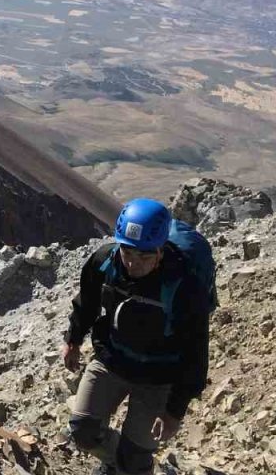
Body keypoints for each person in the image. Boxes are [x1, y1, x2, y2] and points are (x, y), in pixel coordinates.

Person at [60, 198, 211, 475]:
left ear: (160, 250)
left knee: (136, 457)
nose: (133, 263)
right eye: (128, 252)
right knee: (83, 432)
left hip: (159, 377)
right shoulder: (104, 262)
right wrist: (73, 339)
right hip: (113, 361)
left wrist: (174, 412)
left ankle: (130, 465)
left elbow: (196, 352)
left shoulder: (185, 286)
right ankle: (118, 464)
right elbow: (87, 303)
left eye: (144, 256)